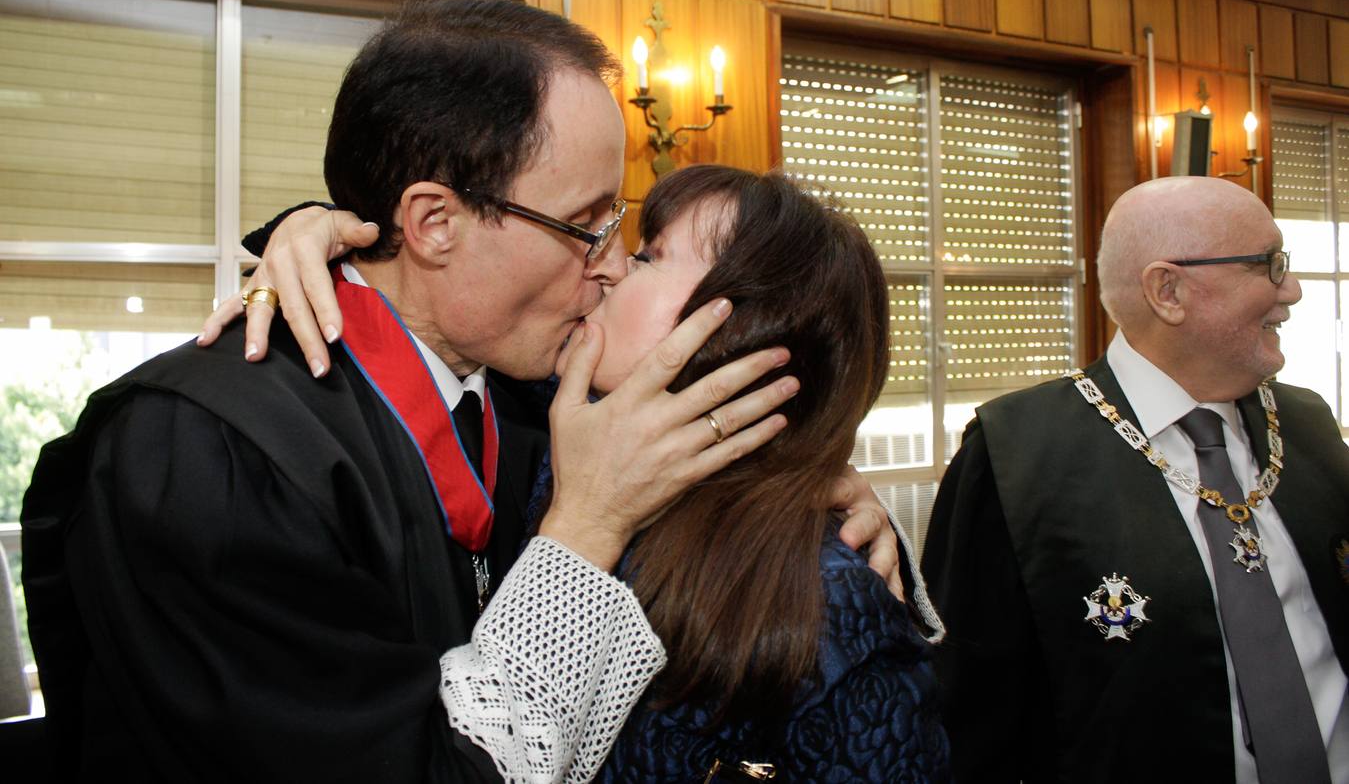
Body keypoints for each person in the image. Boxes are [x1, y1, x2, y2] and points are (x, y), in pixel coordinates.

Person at [20, 0, 805, 783]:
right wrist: (588, 525)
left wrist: (808, 481)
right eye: (586, 225)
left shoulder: (521, 396)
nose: (611, 263)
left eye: (619, 222)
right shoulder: (205, 450)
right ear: (433, 223)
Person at [232, 163, 951, 781]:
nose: (606, 266)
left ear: (736, 332)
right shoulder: (542, 415)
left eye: (648, 255)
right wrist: (315, 231)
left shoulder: (829, 606)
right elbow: (424, 316)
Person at [921, 175, 1349, 784]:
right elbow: (968, 717)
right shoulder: (1016, 455)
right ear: (1167, 289)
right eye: (1269, 265)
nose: (1294, 290)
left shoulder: (1307, 425)